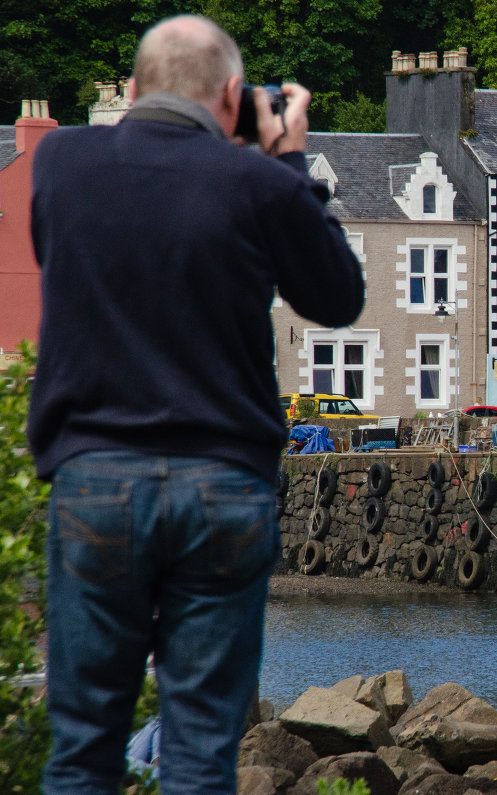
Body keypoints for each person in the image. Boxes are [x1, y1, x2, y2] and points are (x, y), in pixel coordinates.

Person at [29, 15, 364, 794]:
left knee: (82, 749)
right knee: (198, 753)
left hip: (96, 478)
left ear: (136, 86)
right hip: (223, 484)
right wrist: (287, 160)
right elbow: (338, 297)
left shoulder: (63, 164)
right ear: (235, 97)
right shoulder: (258, 183)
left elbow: (67, 254)